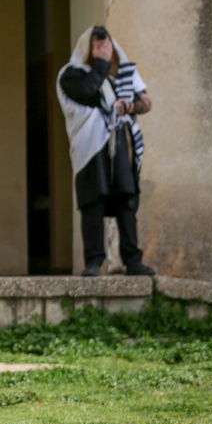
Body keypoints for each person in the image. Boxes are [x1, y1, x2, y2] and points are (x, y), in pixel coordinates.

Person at [56, 25, 156, 277]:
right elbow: (88, 90)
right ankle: (93, 262)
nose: (103, 51)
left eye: (106, 46)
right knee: (93, 201)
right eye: (96, 47)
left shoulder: (123, 72)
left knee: (126, 200)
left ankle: (133, 260)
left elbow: (145, 101)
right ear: (86, 48)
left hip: (120, 143)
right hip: (90, 148)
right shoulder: (70, 75)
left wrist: (130, 106)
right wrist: (101, 63)